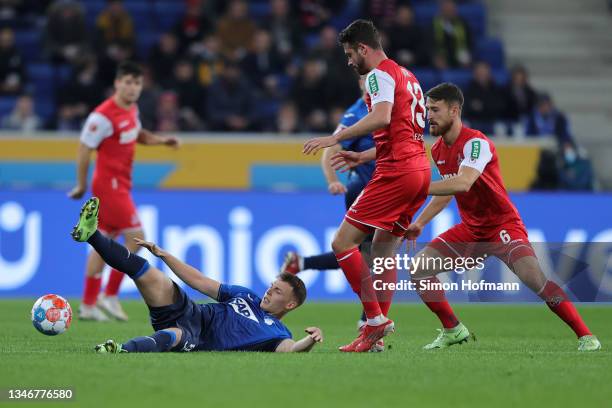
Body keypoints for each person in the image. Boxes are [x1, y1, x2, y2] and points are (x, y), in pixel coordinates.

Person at [400, 82, 600, 351]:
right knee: (418, 269)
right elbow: (448, 190)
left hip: (502, 226)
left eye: (435, 109)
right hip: (471, 230)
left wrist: (416, 186)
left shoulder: (476, 143)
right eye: (427, 110)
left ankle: (586, 336)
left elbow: (463, 183)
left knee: (536, 281)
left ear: (454, 111)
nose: (428, 116)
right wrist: (421, 222)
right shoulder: (437, 150)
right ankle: (453, 329)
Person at [303, 19, 430, 352]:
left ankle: (374, 319)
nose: (348, 62)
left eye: (349, 54)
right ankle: (375, 337)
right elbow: (404, 131)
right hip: (419, 170)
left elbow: (382, 117)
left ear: (363, 48)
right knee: (385, 252)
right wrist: (363, 158)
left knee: (343, 242)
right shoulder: (407, 75)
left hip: (396, 172)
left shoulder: (377, 75)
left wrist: (337, 137)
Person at [71, 197, 323, 353]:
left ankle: (120, 349)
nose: (269, 291)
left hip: (199, 337)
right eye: (271, 285)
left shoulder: (276, 334)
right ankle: (91, 234)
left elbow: (290, 349)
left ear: (290, 304)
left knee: (176, 336)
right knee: (149, 273)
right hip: (191, 311)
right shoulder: (246, 296)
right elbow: (200, 281)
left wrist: (310, 340)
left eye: (277, 291)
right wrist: (164, 255)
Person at [68, 61, 180, 322]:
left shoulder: (132, 109)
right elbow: (84, 148)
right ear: (117, 83)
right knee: (138, 237)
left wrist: (163, 141)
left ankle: (87, 304)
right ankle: (110, 294)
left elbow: (137, 134)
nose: (132, 87)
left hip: (120, 184)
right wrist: (81, 184)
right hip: (110, 186)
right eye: (127, 82)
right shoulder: (102, 116)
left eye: (137, 83)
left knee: (101, 243)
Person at [282, 75, 377, 345]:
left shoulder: (384, 106)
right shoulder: (356, 112)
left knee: (360, 252)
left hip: (382, 191)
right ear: (359, 83)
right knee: (375, 255)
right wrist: (332, 180)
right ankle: (369, 320)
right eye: (365, 79)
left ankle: (302, 263)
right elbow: (330, 149)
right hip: (367, 191)